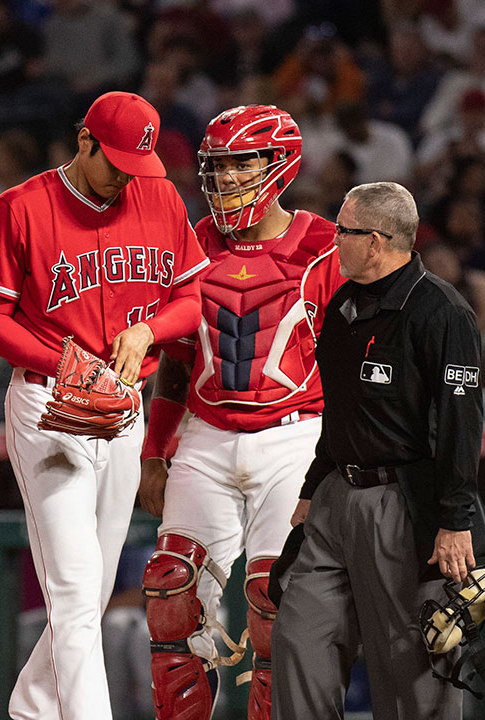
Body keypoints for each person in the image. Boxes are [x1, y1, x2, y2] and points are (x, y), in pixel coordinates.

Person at [0, 91, 208, 719]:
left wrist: (149, 330)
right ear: (84, 142)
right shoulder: (19, 208)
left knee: (92, 592)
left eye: (140, 164)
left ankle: (31, 704)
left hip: (124, 404)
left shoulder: (157, 197)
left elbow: (191, 298)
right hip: (51, 407)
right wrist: (64, 362)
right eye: (118, 161)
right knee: (74, 589)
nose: (130, 175)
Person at [137, 104, 341, 720]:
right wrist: (154, 452)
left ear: (280, 164)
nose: (226, 179)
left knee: (275, 602)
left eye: (241, 163)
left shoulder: (327, 245)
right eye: (218, 166)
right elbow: (174, 359)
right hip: (204, 433)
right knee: (169, 588)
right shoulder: (191, 241)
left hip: (295, 437)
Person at [271, 182, 485, 720]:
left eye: (342, 231)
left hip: (405, 505)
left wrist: (455, 520)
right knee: (299, 637)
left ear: (374, 241)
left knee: (412, 670)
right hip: (335, 498)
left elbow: (462, 424)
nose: (333, 242)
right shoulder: (342, 305)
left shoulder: (442, 312)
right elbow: (341, 412)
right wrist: (310, 491)